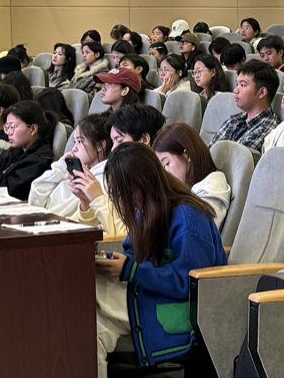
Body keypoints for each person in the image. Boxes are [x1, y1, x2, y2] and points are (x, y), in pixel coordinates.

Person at [94, 143, 226, 378]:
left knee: (87, 293)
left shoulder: (189, 217)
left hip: (182, 308)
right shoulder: (146, 208)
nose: (120, 200)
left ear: (144, 183)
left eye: (123, 192)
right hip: (154, 295)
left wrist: (131, 271)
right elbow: (134, 253)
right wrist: (118, 261)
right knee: (88, 330)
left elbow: (190, 283)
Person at [29, 113, 114, 228]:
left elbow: (77, 220)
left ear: (100, 146)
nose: (74, 148)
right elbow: (36, 198)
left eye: (80, 141)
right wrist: (60, 168)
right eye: (75, 142)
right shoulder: (72, 173)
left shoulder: (103, 181)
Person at [0, 100, 56, 200]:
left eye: (12, 127)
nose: (8, 132)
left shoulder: (38, 161)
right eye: (7, 127)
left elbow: (1, 192)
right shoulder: (17, 151)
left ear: (33, 129)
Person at [152, 123, 232, 227]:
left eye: (167, 163)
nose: (164, 173)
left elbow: (196, 232)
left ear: (187, 155)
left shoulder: (211, 191)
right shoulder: (184, 189)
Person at [211, 60, 280, 154]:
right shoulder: (235, 120)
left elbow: (235, 159)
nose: (235, 90)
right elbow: (210, 151)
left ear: (262, 92)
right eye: (237, 84)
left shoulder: (267, 128)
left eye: (243, 85)